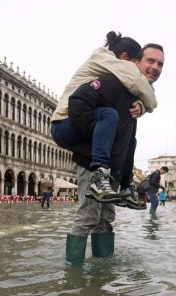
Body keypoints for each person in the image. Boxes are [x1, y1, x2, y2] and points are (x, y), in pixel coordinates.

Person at [64, 39, 165, 263]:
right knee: (88, 215)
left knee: (106, 218)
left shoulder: (137, 96)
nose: (156, 68)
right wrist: (91, 135)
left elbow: (129, 140)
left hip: (114, 168)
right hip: (93, 161)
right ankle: (73, 277)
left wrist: (124, 175)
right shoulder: (112, 81)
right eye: (150, 61)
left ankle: (103, 270)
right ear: (134, 62)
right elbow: (77, 103)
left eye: (160, 64)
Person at [51, 31, 156, 205]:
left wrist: (141, 106)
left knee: (128, 131)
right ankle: (100, 175)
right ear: (124, 57)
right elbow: (145, 89)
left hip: (80, 124)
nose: (136, 68)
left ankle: (123, 184)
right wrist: (148, 104)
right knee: (110, 115)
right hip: (65, 123)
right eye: (135, 63)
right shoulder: (107, 60)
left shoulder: (107, 65)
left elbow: (140, 89)